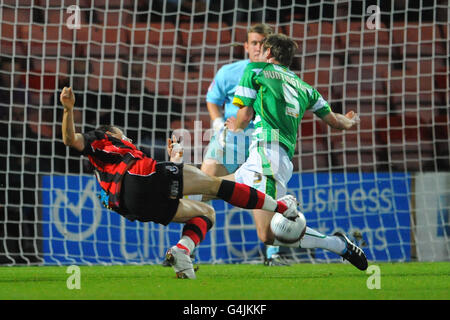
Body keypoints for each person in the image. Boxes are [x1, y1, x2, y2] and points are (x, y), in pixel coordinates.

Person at [59, 86, 299, 279]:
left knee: (206, 213)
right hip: (140, 175)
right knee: (214, 185)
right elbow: (71, 139)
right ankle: (281, 207)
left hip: (131, 205)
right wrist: (68, 110)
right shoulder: (101, 139)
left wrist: (173, 162)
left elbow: (146, 185)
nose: (127, 138)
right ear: (111, 134)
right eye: (122, 134)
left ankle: (182, 251)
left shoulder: (103, 170)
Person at [228, 33, 368, 271]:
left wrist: (235, 127)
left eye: (262, 49)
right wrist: (351, 121)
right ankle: (183, 247)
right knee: (212, 188)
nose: (258, 53)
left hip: (267, 153)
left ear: (269, 53)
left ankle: (337, 244)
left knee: (267, 234)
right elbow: (336, 122)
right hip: (271, 155)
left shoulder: (256, 70)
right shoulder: (305, 87)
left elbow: (244, 115)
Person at [200, 23, 288, 266]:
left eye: (263, 42)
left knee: (265, 226)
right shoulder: (229, 72)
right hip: (230, 139)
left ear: (270, 46)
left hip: (262, 142)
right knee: (202, 187)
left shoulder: (280, 77)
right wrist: (218, 124)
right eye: (254, 42)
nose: (258, 47)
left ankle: (273, 254)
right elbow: (212, 99)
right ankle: (187, 248)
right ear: (246, 46)